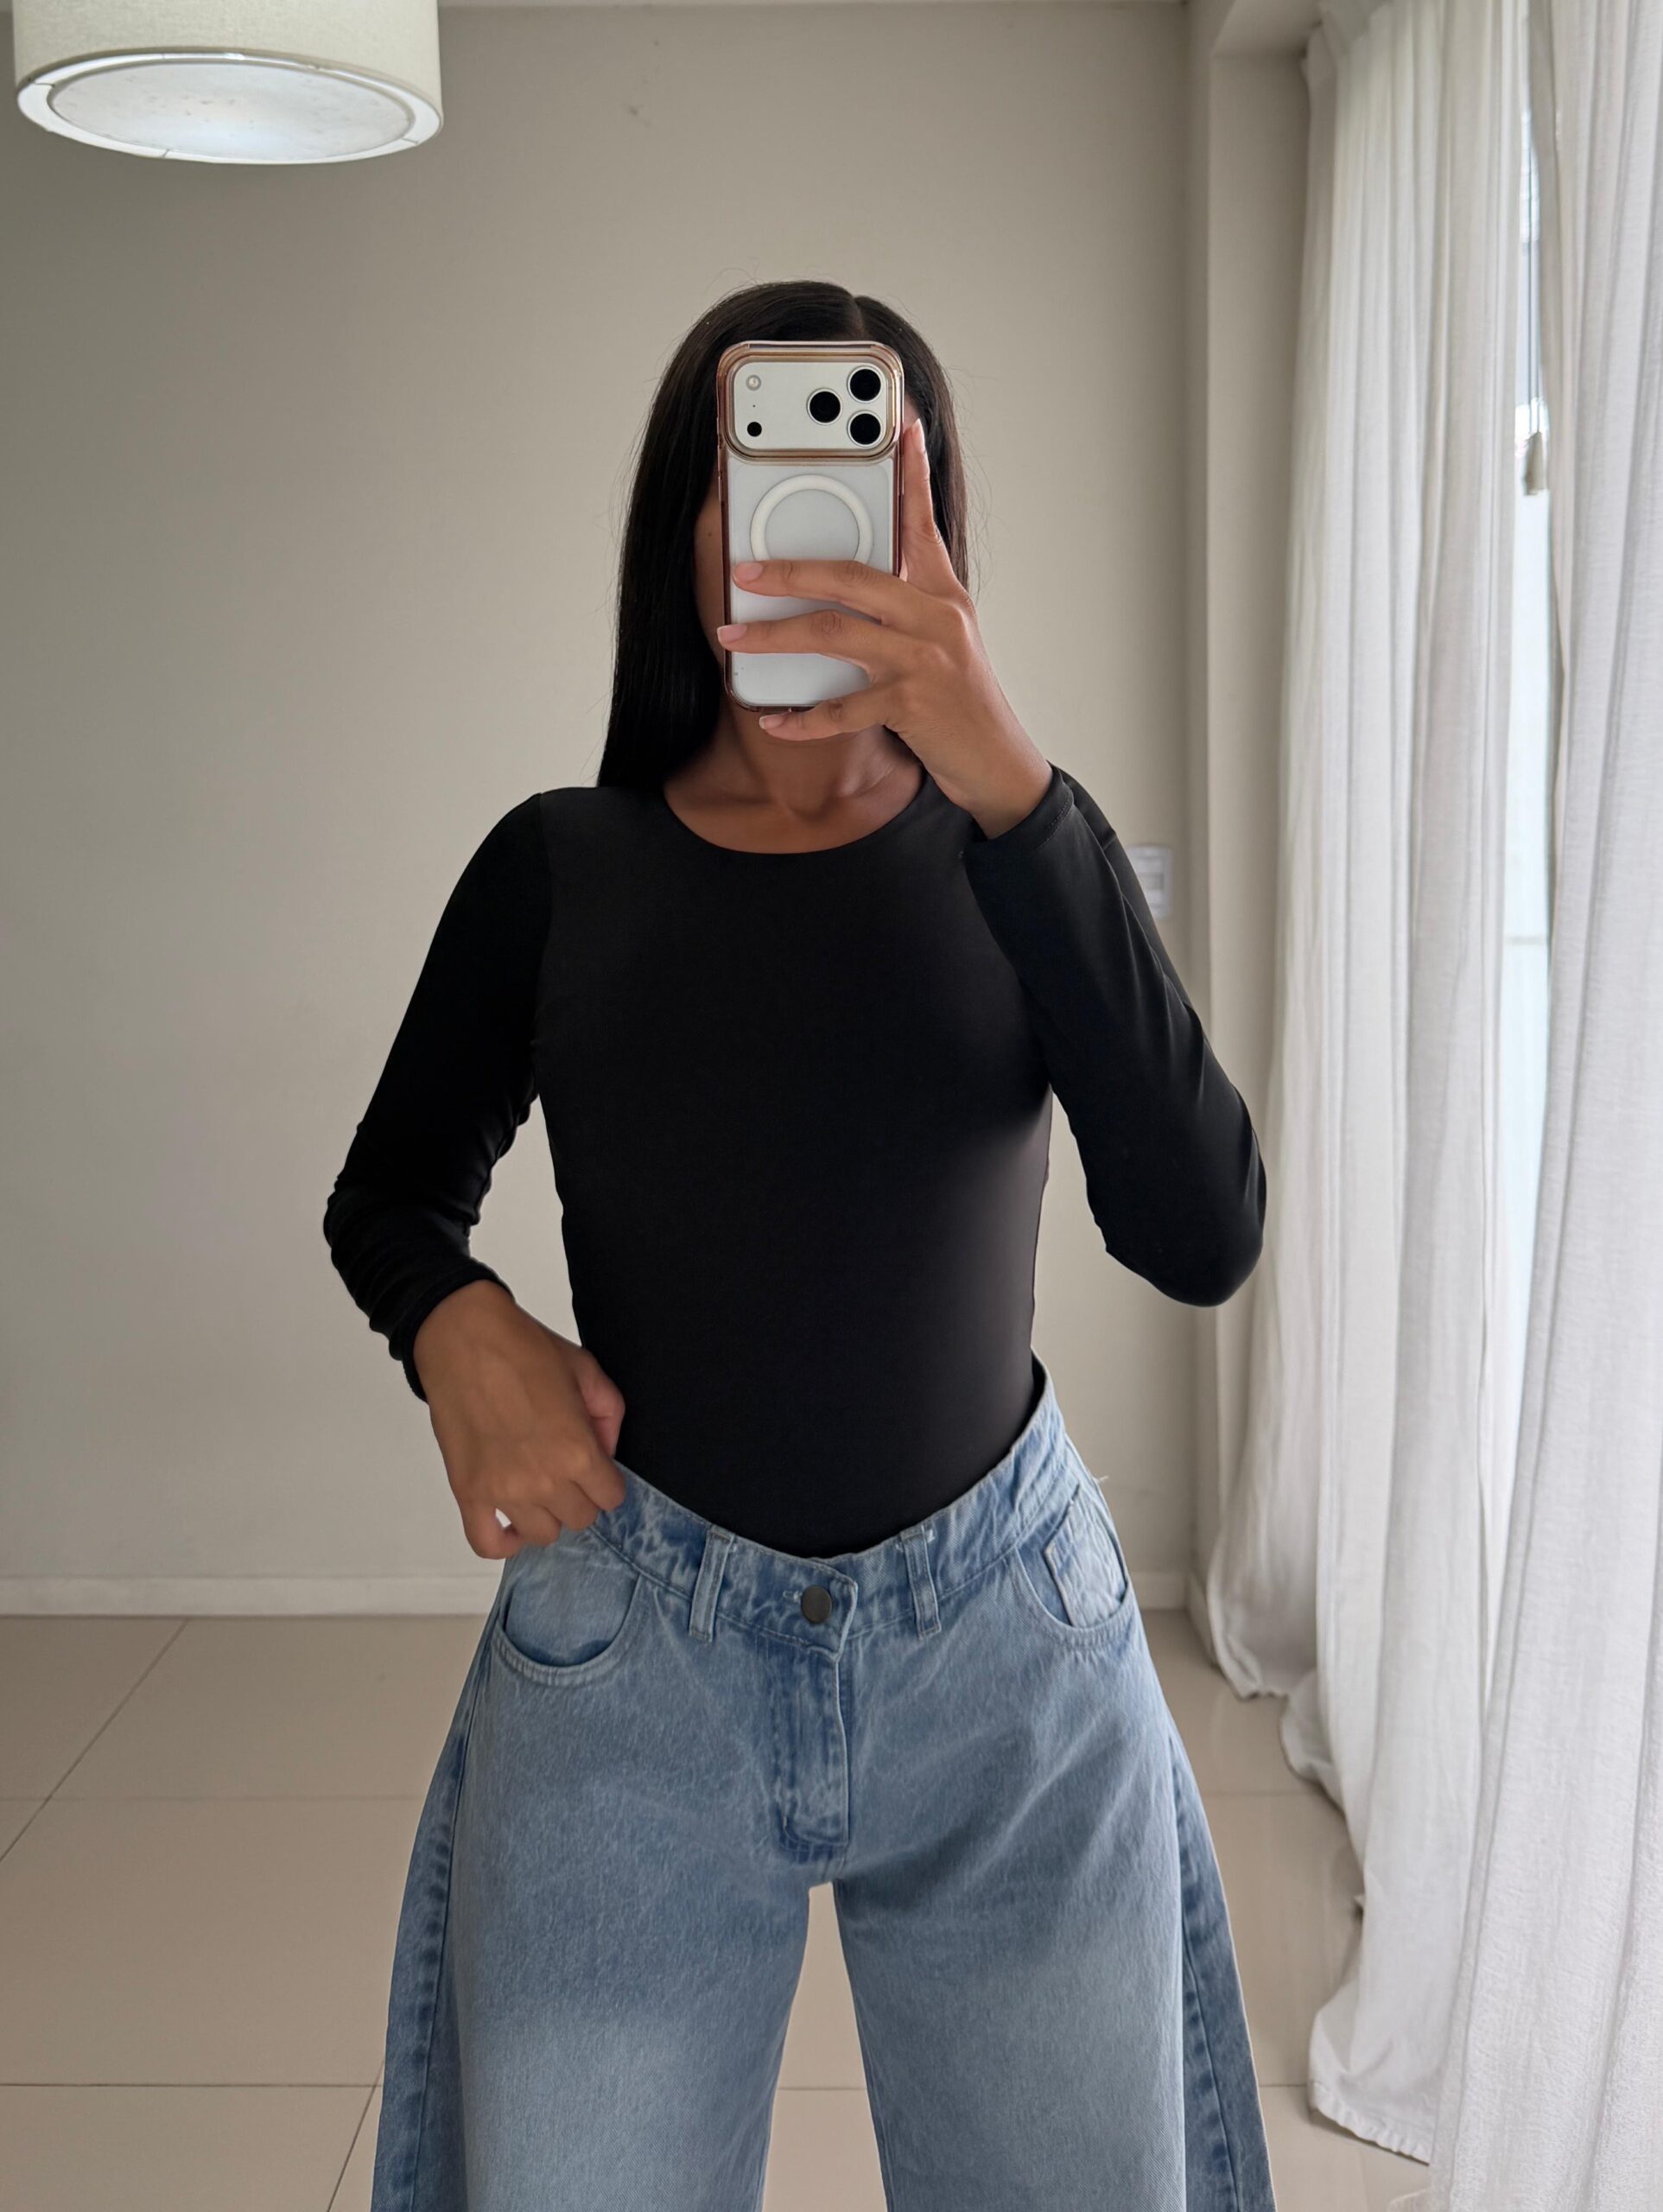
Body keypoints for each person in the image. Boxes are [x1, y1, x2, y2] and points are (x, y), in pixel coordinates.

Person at [324, 280, 1277, 2212]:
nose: (802, 512)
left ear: (934, 529)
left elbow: (1201, 1232)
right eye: (751, 465)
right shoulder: (557, 868)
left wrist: (1016, 783)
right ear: (683, 528)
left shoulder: (1023, 857)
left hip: (1011, 1664)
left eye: (863, 464)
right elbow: (391, 1195)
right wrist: (456, 1322)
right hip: (634, 1659)